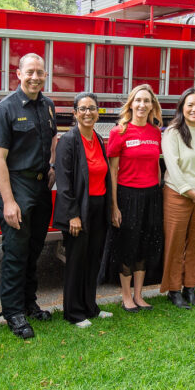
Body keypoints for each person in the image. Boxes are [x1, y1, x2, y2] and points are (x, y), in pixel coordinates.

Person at [0, 53, 58, 339]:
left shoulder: (48, 105)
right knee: (16, 253)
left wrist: (53, 164)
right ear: (18, 74)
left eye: (40, 73)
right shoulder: (5, 109)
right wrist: (7, 201)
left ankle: (30, 304)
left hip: (41, 188)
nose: (35, 77)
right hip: (17, 187)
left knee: (34, 251)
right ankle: (13, 312)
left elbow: (53, 138)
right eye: (29, 72)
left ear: (45, 76)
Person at [53, 92, 114, 326]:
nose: (88, 113)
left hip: (98, 207)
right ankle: (74, 312)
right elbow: (64, 182)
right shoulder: (68, 141)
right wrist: (73, 215)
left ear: (98, 112)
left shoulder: (98, 139)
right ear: (75, 112)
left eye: (92, 108)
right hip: (80, 210)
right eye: (83, 108)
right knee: (76, 261)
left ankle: (91, 307)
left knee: (93, 260)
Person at [107, 84, 164, 311]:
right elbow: (112, 171)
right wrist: (114, 205)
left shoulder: (156, 132)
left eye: (147, 101)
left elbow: (157, 166)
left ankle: (139, 295)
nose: (142, 105)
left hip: (151, 195)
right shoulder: (119, 132)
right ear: (131, 104)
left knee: (145, 245)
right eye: (138, 100)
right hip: (127, 195)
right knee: (127, 247)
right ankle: (126, 296)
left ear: (152, 106)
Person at [160, 88, 195, 308]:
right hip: (177, 194)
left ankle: (190, 287)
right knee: (175, 243)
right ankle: (174, 290)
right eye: (190, 105)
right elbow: (172, 165)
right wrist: (187, 190)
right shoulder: (173, 132)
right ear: (182, 108)